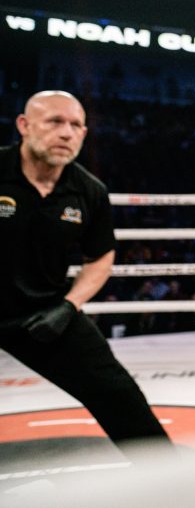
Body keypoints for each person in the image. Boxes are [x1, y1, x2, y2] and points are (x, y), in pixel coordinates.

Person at [0, 91, 173, 457]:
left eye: (76, 125)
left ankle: (174, 482)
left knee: (116, 391)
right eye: (55, 122)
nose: (66, 133)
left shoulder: (89, 191)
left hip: (43, 308)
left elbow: (101, 256)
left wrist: (69, 305)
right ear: (23, 126)